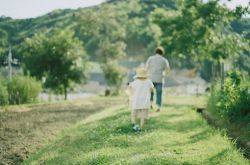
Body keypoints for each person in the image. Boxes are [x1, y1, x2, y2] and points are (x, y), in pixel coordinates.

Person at [128, 67, 154, 131]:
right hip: (145, 101)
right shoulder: (148, 81)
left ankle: (133, 124)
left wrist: (131, 94)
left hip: (136, 100)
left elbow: (131, 88)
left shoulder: (136, 81)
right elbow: (152, 89)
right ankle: (141, 126)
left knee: (134, 114)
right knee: (143, 115)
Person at [146, 46, 170, 112]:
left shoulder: (150, 58)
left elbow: (146, 67)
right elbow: (167, 69)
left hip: (151, 78)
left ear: (155, 52)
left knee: (150, 92)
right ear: (162, 53)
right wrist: (164, 73)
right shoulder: (164, 60)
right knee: (159, 93)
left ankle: (150, 104)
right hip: (159, 78)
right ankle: (158, 107)